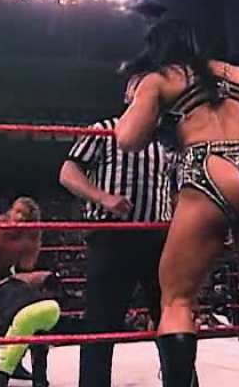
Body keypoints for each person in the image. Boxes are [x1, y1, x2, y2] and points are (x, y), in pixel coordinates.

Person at [115, 19, 239, 387]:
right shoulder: (236, 73)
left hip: (209, 167)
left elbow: (128, 139)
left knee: (176, 300)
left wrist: (138, 100)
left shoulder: (159, 79)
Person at [59, 116, 178, 387]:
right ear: (128, 96)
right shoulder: (104, 130)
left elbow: (173, 187)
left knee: (171, 316)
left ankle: (181, 381)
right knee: (101, 322)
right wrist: (104, 197)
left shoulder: (167, 139)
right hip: (112, 235)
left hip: (159, 236)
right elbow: (68, 172)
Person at [0, 197, 54, 387]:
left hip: (2, 276)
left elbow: (24, 271)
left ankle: (9, 367)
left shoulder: (30, 237)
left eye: (26, 217)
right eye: (18, 212)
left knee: (17, 314)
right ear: (10, 211)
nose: (20, 218)